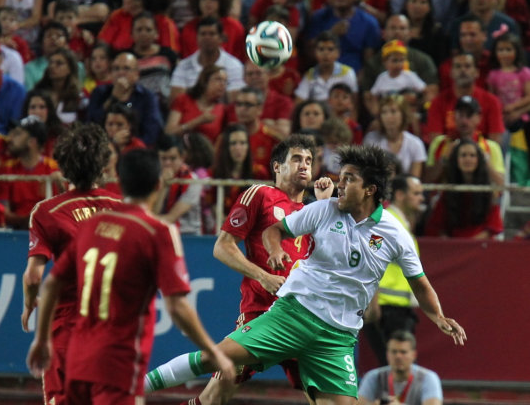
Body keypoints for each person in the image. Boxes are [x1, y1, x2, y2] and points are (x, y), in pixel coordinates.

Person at [144, 144, 466, 405]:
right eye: (341, 176)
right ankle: (136, 390)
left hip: (337, 337)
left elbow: (419, 284)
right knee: (216, 361)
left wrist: (438, 316)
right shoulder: (324, 209)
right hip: (293, 314)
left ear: (369, 190)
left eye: (349, 179)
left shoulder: (395, 234)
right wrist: (274, 249)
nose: (339, 183)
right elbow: (274, 231)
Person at [26, 148, 235, 404]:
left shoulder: (95, 224)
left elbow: (49, 284)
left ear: (120, 181)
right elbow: (178, 305)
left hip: (78, 355)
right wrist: (214, 352)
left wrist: (42, 338)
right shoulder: (157, 232)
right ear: (159, 184)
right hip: (117, 360)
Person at [146, 134, 334, 405]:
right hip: (261, 315)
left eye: (308, 160)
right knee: (214, 396)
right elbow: (222, 247)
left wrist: (325, 204)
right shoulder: (260, 194)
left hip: (303, 318)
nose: (304, 165)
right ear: (277, 166)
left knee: (327, 400)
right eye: (296, 159)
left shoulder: (311, 212)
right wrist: (263, 276)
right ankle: (131, 392)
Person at [20, 124, 122, 404]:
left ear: (62, 166)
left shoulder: (47, 212)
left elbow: (33, 277)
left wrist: (30, 303)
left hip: (67, 327)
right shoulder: (123, 207)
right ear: (103, 164)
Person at [363, 175, 424, 366]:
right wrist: (372, 303)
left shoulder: (399, 224)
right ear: (399, 195)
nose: (421, 198)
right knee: (393, 370)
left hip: (396, 310)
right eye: (416, 193)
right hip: (384, 310)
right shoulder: (386, 224)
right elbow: (369, 258)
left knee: (397, 371)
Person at [425, 139, 503, 239]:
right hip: (453, 247)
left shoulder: (489, 192)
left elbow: (493, 228)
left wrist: (468, 245)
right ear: (456, 160)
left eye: (472, 155)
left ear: (479, 160)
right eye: (463, 155)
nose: (468, 159)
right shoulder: (448, 192)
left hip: (482, 246)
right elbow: (436, 226)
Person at [0, 116, 61, 229]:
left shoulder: (53, 170)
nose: (10, 138)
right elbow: (2, 212)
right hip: (15, 232)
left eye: (17, 134)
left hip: (46, 233)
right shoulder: (6, 169)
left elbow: (61, 211)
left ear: (32, 142)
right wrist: (27, 221)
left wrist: (60, 185)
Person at [86, 52, 164, 146]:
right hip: (103, 149)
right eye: (116, 69)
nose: (120, 73)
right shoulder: (100, 93)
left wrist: (130, 145)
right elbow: (90, 125)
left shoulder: (147, 97)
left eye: (126, 68)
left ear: (137, 74)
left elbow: (152, 132)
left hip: (136, 151)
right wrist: (113, 98)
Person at [425, 95, 505, 186]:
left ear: (479, 118)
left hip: (480, 198)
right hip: (447, 198)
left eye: (469, 115)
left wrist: (484, 162)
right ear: (454, 117)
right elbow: (427, 179)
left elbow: (501, 184)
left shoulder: (491, 146)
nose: (464, 121)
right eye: (460, 115)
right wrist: (444, 159)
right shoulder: (440, 143)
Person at [427, 52, 505, 144]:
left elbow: (495, 142)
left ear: (477, 72)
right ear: (451, 73)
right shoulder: (437, 102)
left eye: (467, 66)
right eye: (458, 66)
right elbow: (436, 142)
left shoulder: (492, 101)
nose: (462, 70)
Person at [170, 16, 245, 103]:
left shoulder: (235, 66)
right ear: (197, 38)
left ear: (221, 38)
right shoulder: (183, 66)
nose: (207, 38)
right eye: (203, 34)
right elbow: (176, 103)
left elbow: (234, 105)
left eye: (212, 34)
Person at [359, 330, 443, 405]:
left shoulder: (427, 378)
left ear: (414, 355)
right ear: (387, 355)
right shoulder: (374, 377)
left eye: (403, 352)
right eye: (394, 352)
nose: (398, 356)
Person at [304, 0, 381, 73]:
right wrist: (331, 33)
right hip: (321, 75)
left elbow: (369, 62)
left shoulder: (369, 23)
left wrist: (355, 81)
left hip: (354, 76)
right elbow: (309, 54)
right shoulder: (318, 18)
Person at [363, 95, 427, 178]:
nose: (388, 116)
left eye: (393, 111)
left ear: (403, 115)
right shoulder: (371, 140)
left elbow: (414, 179)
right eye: (384, 112)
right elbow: (366, 173)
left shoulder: (416, 143)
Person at [130, 11, 178, 116]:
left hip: (165, 109)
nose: (143, 33)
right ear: (132, 34)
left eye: (148, 30)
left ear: (156, 34)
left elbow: (177, 83)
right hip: (134, 109)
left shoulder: (168, 54)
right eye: (139, 30)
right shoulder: (127, 57)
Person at [154, 134, 203, 235]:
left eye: (172, 158)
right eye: (163, 158)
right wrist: (163, 186)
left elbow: (171, 218)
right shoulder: (154, 177)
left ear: (182, 157)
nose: (167, 163)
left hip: (189, 235)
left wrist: (145, 221)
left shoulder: (192, 181)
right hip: (160, 232)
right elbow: (154, 212)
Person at [166, 64, 227, 144]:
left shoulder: (223, 109)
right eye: (218, 79)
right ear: (204, 81)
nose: (223, 84)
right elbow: (169, 132)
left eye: (225, 81)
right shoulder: (183, 100)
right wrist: (197, 121)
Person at [367, 39, 426, 117]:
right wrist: (376, 111)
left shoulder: (410, 76)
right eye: (394, 61)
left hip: (407, 114)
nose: (399, 64)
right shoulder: (382, 78)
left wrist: (417, 103)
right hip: (388, 114)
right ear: (385, 62)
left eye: (401, 60)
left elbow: (424, 90)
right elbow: (373, 95)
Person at [294, 31, 357, 103]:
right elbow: (299, 102)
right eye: (321, 49)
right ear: (315, 52)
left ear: (338, 53)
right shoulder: (310, 75)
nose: (325, 54)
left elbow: (354, 103)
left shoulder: (348, 73)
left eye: (330, 49)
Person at [487, 30, 530, 132]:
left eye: (508, 50)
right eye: (500, 50)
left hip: (522, 117)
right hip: (501, 116)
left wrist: (514, 107)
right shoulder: (493, 75)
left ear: (517, 51)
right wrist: (501, 110)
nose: (504, 54)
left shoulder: (523, 72)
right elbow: (491, 97)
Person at [181, 0, 245, 60]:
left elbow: (239, 59)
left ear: (221, 1)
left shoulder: (235, 27)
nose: (208, 2)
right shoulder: (188, 28)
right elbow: (187, 59)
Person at [33, 47, 84, 125]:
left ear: (70, 69)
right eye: (51, 62)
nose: (52, 66)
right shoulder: (37, 93)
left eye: (59, 63)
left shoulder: (77, 98)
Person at [401, 0, 449, 67]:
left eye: (423, 2)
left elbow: (440, 60)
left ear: (429, 7)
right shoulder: (397, 27)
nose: (417, 6)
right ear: (406, 5)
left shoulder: (436, 31)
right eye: (414, 1)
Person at [21, 89, 66, 158]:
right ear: (26, 110)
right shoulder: (19, 134)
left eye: (42, 107)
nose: (37, 112)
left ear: (49, 110)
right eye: (33, 107)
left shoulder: (59, 136)